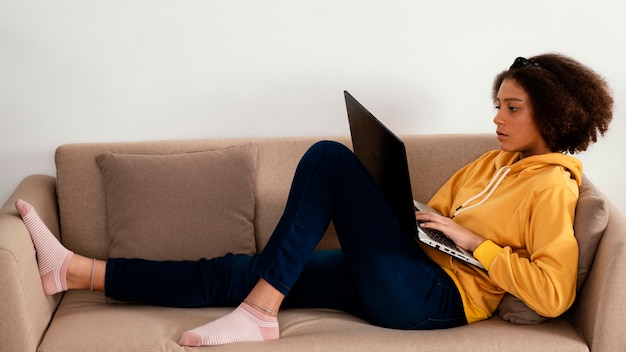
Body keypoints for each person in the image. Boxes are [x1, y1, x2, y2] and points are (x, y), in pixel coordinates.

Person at [15, 53, 614, 347]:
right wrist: (416, 215)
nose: (498, 117)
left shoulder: (552, 186)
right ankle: (77, 271)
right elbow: (439, 213)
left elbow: (554, 291)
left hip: (436, 299)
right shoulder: (494, 161)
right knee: (247, 273)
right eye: (499, 104)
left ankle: (258, 314)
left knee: (329, 157)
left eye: (513, 108)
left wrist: (472, 240)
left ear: (554, 115)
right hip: (411, 267)